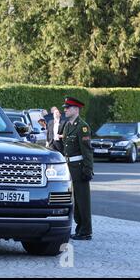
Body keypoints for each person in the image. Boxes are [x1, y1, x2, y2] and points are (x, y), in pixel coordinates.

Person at [62, 97, 94, 241]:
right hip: (69, 168)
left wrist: (88, 169)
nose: (65, 110)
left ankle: (86, 231)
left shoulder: (82, 126)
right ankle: (79, 228)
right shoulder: (68, 126)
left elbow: (87, 151)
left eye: (68, 107)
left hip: (80, 168)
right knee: (75, 200)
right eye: (65, 107)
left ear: (76, 109)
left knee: (83, 201)